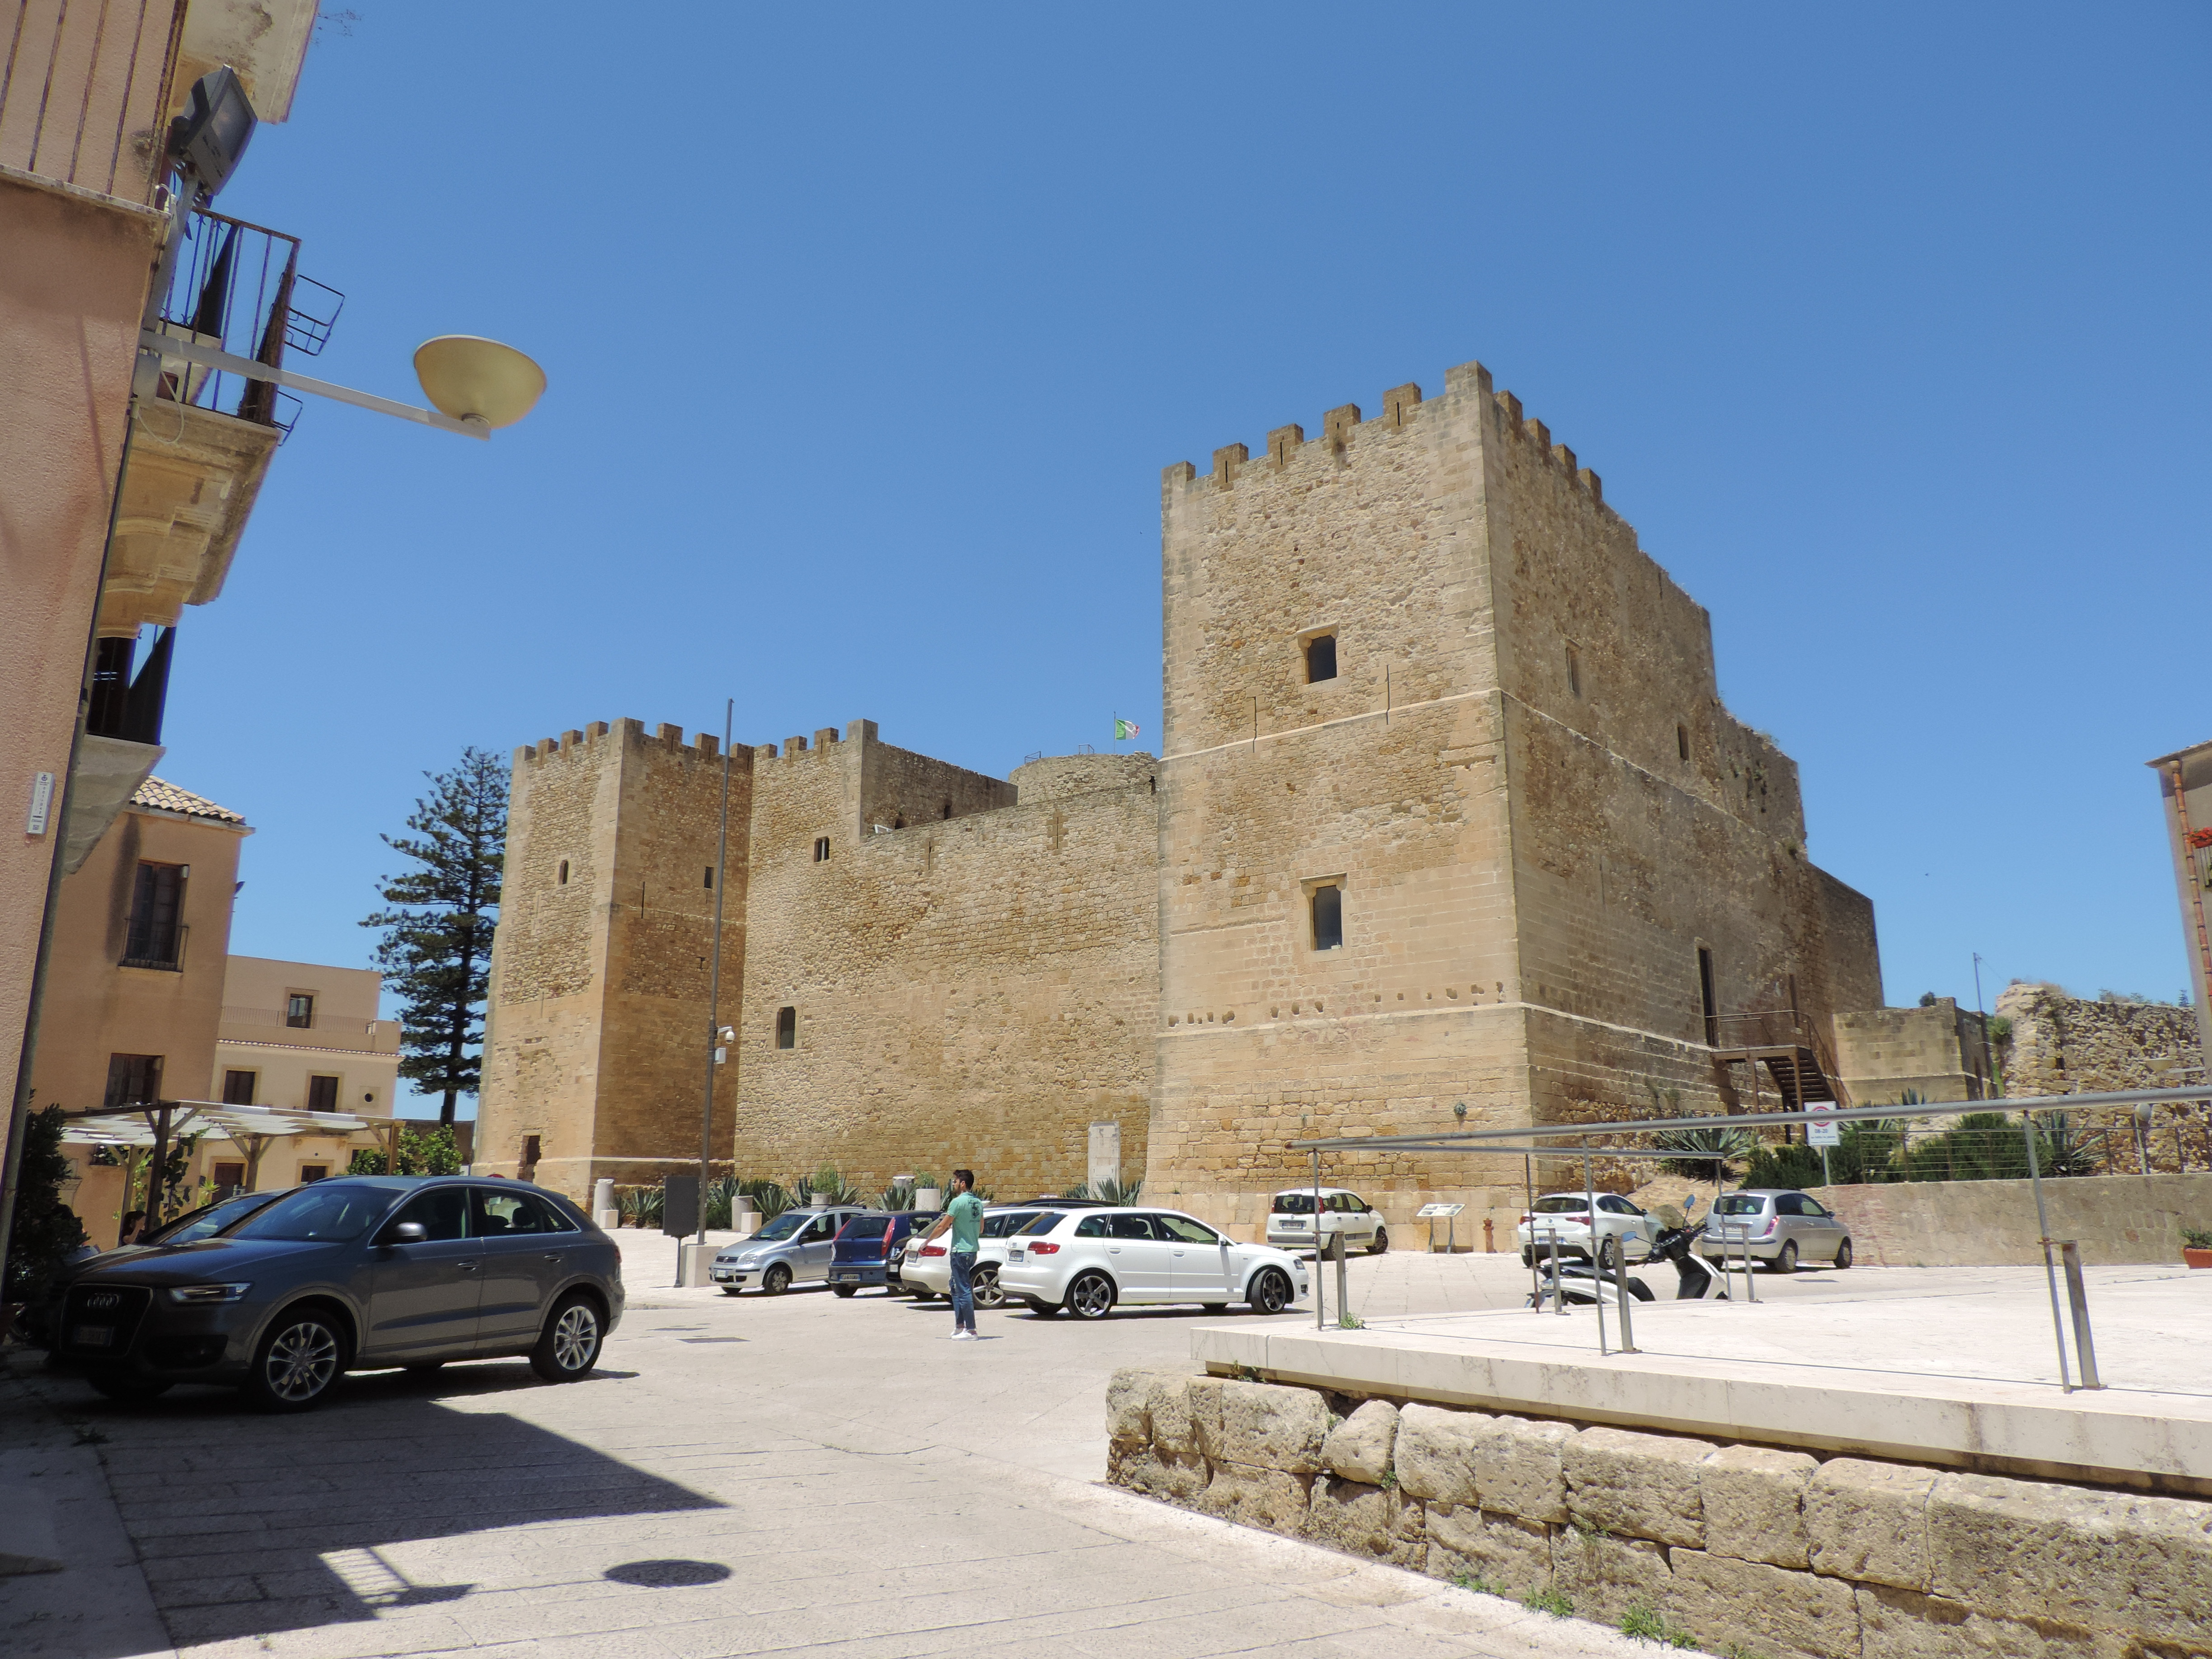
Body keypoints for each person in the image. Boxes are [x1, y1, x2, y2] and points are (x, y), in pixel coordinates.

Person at [944, 1168, 984, 1340]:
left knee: (964, 1290)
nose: (953, 1184)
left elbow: (942, 1226)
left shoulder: (957, 1202)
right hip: (972, 1250)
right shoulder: (978, 1203)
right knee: (955, 1287)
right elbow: (981, 1228)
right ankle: (960, 1326)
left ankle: (972, 1330)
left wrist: (927, 1241)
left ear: (963, 1184)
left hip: (960, 1252)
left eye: (955, 1181)